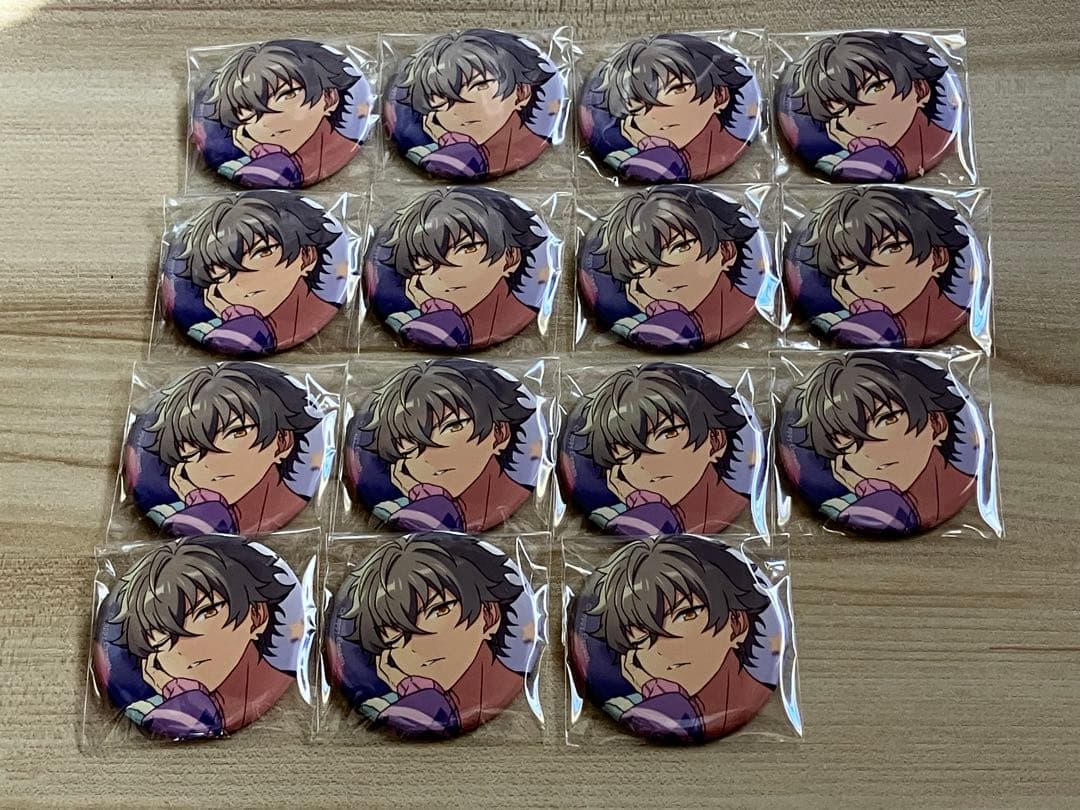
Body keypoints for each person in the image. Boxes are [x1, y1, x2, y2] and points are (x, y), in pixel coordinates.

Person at [580, 536, 773, 742]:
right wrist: (665, 701)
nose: (660, 649)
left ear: (736, 624)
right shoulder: (631, 708)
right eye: (640, 631)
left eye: (686, 614)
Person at [340, 534, 524, 737]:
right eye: (393, 630)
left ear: (489, 616)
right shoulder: (392, 706)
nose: (415, 646)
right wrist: (418, 696)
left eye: (439, 610)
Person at [110, 537, 294, 738]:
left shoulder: (282, 685)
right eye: (161, 633)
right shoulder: (150, 709)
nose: (181, 648)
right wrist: (182, 696)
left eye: (207, 612)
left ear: (257, 615)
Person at [791, 352, 973, 533]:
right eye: (844, 435)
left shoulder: (967, 484)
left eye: (888, 419)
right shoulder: (847, 509)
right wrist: (878, 497)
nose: (869, 452)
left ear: (937, 423)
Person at [354, 359, 534, 531]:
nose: (428, 458)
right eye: (408, 441)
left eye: (453, 427)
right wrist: (428, 503)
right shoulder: (397, 511)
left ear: (499, 433)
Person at [570, 363, 749, 534]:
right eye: (625, 450)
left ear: (715, 441)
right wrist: (647, 511)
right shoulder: (613, 517)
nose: (644, 464)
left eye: (667, 433)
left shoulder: (745, 505)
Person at [142, 363, 319, 535]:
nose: (210, 461)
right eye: (191, 442)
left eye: (237, 432)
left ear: (282, 442)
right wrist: (204, 509)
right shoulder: (169, 515)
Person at [796, 187, 969, 347]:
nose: (869, 275)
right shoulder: (839, 324)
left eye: (891, 248)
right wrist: (867, 316)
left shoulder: (855, 327)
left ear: (938, 258)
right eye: (849, 262)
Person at [587, 186, 758, 349]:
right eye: (640, 262)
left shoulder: (751, 301)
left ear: (726, 252)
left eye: (680, 247)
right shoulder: (638, 325)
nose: (660, 276)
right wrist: (664, 317)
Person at [175, 191, 341, 353]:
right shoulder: (210, 331)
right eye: (219, 267)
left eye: (263, 251)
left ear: (306, 257)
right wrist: (239, 321)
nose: (238, 282)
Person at [380, 188, 545, 349]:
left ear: (510, 257)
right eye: (425, 260)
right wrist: (437, 316)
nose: (443, 275)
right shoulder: (407, 322)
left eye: (468, 247)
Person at [789, 32, 953, 180]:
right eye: (838, 103)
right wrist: (867, 152)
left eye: (876, 87)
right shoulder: (837, 163)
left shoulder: (950, 140)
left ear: (920, 90)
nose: (860, 115)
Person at [592, 34, 754, 181]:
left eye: (677, 89)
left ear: (719, 96)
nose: (655, 115)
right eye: (637, 104)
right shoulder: (628, 160)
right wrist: (657, 154)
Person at [396, 29, 555, 179]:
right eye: (441, 96)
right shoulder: (428, 155)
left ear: (521, 93)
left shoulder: (537, 142)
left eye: (480, 85)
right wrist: (455, 148)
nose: (459, 109)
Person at [206, 39, 363, 187]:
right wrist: (267, 159)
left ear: (329, 98)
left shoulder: (257, 169)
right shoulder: (240, 168)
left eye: (287, 95)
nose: (267, 122)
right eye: (247, 108)